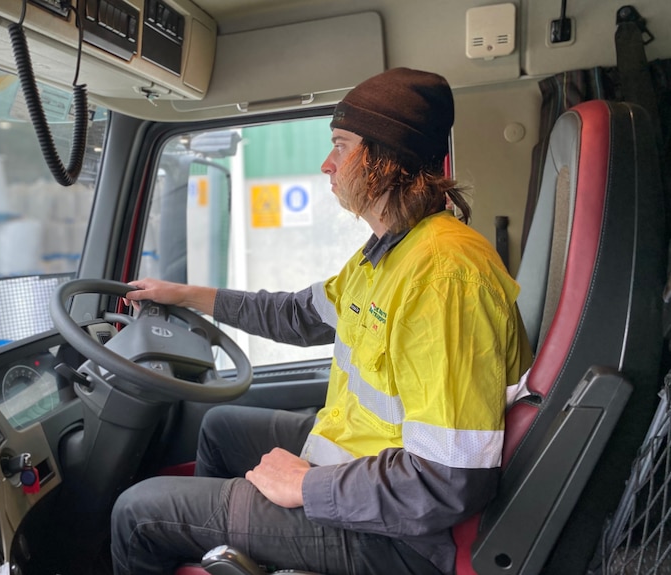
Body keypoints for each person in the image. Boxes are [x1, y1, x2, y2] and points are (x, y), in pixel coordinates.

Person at [110, 67, 533, 575]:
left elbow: (448, 479)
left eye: (341, 145)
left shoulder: (445, 276)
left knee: (138, 511)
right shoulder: (389, 252)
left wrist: (302, 486)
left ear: (385, 156)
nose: (326, 164)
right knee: (219, 428)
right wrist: (188, 295)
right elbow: (296, 315)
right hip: (363, 466)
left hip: (401, 537)